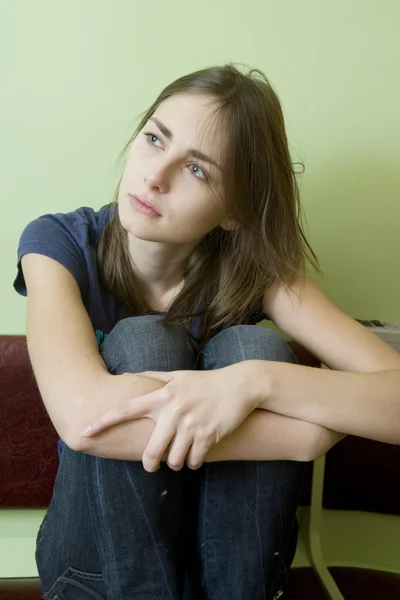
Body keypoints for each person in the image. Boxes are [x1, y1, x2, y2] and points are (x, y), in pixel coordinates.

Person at [14, 63, 400, 600]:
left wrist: (253, 384)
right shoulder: (57, 243)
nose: (154, 176)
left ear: (235, 212)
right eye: (153, 139)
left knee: (255, 348)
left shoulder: (255, 274)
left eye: (197, 170)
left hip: (225, 574)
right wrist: (302, 435)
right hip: (95, 572)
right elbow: (84, 420)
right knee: (144, 340)